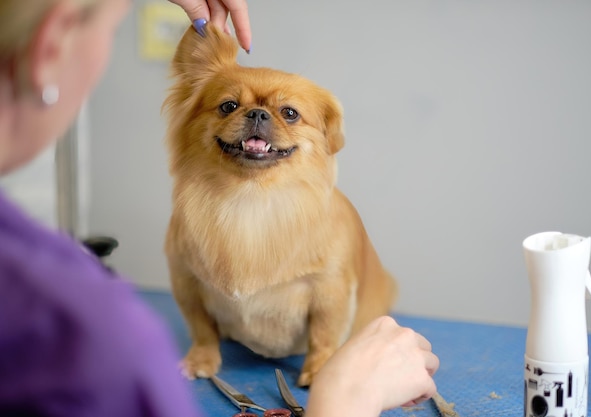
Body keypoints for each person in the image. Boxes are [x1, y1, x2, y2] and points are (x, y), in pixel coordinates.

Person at [0, 1, 438, 416]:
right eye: (231, 106)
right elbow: (188, 281)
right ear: (51, 45)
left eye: (288, 113)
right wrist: (345, 401)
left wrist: (326, 358)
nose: (259, 119)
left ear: (326, 137)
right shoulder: (93, 335)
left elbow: (335, 291)